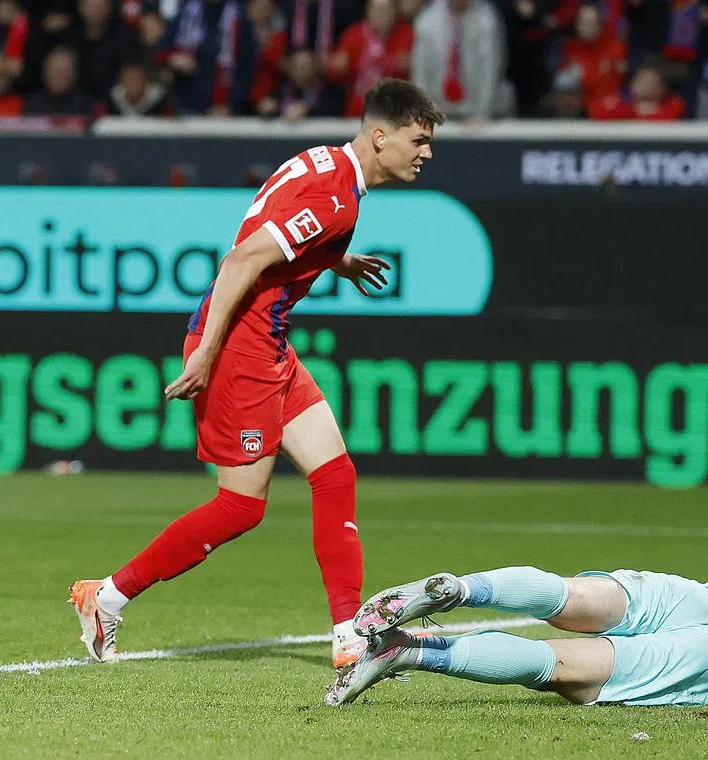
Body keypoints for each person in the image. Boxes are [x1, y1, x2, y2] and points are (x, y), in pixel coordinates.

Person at [69, 79, 446, 673]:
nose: (426, 153)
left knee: (335, 475)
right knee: (241, 508)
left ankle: (349, 634)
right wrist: (208, 352)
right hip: (237, 351)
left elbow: (278, 231)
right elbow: (243, 258)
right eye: (418, 140)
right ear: (381, 136)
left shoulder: (329, 167)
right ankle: (107, 597)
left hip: (267, 345)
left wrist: (338, 261)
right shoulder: (336, 198)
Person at [326, 470, 708, 706]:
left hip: (699, 600)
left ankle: (460, 587)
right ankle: (404, 651)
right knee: (558, 664)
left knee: (563, 596)